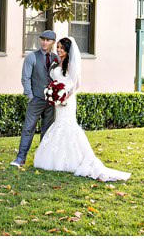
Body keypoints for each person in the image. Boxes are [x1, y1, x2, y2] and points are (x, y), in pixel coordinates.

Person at [33, 36, 131, 182]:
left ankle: (76, 159)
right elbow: (55, 81)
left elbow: (77, 84)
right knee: (59, 124)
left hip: (68, 100)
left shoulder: (71, 65)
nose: (59, 50)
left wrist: (65, 96)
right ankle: (57, 159)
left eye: (61, 48)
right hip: (58, 100)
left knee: (67, 125)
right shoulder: (56, 63)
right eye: (58, 47)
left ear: (67, 50)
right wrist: (53, 93)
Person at [11, 30, 58, 167]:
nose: (44, 42)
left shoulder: (56, 58)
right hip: (36, 99)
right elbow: (25, 78)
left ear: (53, 42)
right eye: (42, 39)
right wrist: (30, 96)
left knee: (47, 130)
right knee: (28, 128)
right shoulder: (31, 57)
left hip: (51, 101)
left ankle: (43, 160)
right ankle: (20, 158)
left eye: (48, 40)